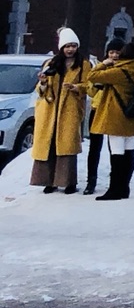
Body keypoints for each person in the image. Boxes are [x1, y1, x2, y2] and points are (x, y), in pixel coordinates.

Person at [87, 37, 134, 201]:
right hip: (133, 115)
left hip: (116, 116)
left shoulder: (118, 72)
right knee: (130, 152)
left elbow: (92, 76)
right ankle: (124, 187)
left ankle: (115, 189)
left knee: (116, 153)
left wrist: (104, 63)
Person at [30, 28, 89, 194]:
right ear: (61, 47)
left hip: (69, 109)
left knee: (66, 145)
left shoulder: (83, 64)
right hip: (49, 110)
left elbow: (89, 85)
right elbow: (41, 90)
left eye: (73, 46)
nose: (70, 49)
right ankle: (48, 181)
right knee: (49, 144)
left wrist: (76, 87)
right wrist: (42, 83)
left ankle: (68, 182)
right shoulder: (51, 63)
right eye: (67, 46)